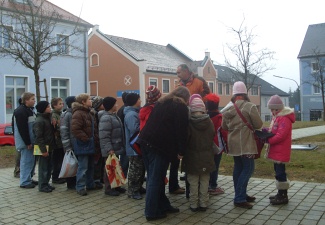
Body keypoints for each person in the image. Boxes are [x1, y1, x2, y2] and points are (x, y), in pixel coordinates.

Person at [137, 86, 190, 221]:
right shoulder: (180, 107)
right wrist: (181, 151)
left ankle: (163, 205)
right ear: (186, 98)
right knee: (155, 179)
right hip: (159, 146)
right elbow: (181, 130)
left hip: (145, 141)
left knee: (155, 177)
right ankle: (151, 211)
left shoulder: (162, 102)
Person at [221, 81, 263, 209]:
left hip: (233, 143)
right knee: (248, 169)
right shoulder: (250, 106)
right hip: (246, 143)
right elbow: (258, 124)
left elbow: (223, 126)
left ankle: (241, 194)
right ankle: (239, 198)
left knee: (238, 168)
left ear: (234, 94)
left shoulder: (228, 108)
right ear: (245, 93)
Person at [175, 63, 211, 188]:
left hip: (197, 115)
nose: (177, 75)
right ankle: (188, 170)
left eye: (179, 72)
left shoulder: (199, 81)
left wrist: (196, 102)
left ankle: (198, 171)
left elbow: (208, 95)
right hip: (183, 116)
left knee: (196, 144)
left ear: (186, 71)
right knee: (187, 143)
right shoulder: (179, 84)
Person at [182, 94, 215, 212]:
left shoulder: (189, 124)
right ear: (203, 109)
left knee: (193, 182)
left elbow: (186, 140)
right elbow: (212, 136)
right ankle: (204, 203)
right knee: (205, 181)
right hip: (207, 156)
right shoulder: (209, 122)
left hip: (192, 157)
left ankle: (193, 204)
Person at [266, 95, 295, 205]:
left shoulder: (284, 118)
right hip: (277, 151)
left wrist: (269, 140)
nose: (272, 112)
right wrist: (266, 133)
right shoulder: (277, 117)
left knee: (280, 173)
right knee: (278, 173)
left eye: (273, 109)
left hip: (281, 150)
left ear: (278, 109)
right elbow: (274, 131)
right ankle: (280, 193)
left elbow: (281, 135)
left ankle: (283, 196)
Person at [72, 93, 102, 196]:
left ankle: (90, 184)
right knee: (83, 166)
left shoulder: (90, 113)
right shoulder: (78, 113)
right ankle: (80, 186)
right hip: (83, 144)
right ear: (83, 102)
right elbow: (75, 129)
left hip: (91, 143)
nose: (91, 101)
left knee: (90, 166)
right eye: (89, 99)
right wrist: (86, 139)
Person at [98, 96, 126, 196]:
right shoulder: (106, 118)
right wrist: (109, 149)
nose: (117, 105)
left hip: (116, 146)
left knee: (116, 167)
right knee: (109, 169)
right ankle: (109, 188)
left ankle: (116, 186)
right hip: (110, 148)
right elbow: (104, 135)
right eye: (115, 104)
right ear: (111, 105)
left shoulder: (113, 115)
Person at [13, 92, 38, 188]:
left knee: (31, 160)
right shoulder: (21, 111)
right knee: (26, 161)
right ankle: (24, 182)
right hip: (26, 142)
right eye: (32, 99)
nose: (34, 101)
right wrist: (27, 142)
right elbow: (22, 128)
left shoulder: (29, 110)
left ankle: (29, 178)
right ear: (26, 100)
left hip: (31, 141)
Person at [123, 93, 145, 200]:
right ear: (135, 101)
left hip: (137, 147)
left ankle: (139, 187)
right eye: (139, 99)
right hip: (134, 147)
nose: (140, 101)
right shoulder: (131, 114)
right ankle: (132, 191)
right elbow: (134, 129)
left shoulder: (134, 112)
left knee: (140, 169)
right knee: (135, 170)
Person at [206, 93, 227, 195]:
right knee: (215, 166)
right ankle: (213, 186)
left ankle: (206, 185)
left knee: (207, 165)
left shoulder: (204, 116)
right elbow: (223, 132)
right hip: (217, 146)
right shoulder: (219, 118)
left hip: (205, 145)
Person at [33, 101, 56, 193]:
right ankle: (42, 185)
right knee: (43, 168)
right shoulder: (39, 121)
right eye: (48, 107)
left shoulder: (48, 118)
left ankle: (46, 183)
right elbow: (39, 137)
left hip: (49, 146)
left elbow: (50, 132)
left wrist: (54, 125)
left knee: (49, 167)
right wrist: (43, 150)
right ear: (43, 109)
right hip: (42, 147)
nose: (50, 108)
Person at [60, 96, 77, 190]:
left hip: (74, 143)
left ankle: (73, 182)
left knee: (74, 164)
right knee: (70, 164)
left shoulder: (72, 113)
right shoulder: (67, 114)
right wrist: (67, 146)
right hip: (70, 144)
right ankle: (70, 184)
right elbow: (64, 131)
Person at [50, 97, 66, 184]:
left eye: (62, 103)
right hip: (57, 141)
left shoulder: (61, 114)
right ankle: (55, 177)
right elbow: (56, 127)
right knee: (57, 160)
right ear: (54, 106)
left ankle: (60, 176)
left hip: (61, 141)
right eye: (60, 104)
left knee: (61, 159)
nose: (62, 105)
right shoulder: (54, 115)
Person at [91, 96, 105, 187]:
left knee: (100, 161)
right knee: (96, 161)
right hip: (96, 141)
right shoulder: (95, 114)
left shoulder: (99, 113)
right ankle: (96, 179)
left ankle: (100, 178)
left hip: (99, 140)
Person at [117, 92, 129, 178]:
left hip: (124, 137)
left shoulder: (122, 109)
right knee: (125, 159)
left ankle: (123, 175)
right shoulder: (125, 110)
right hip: (125, 137)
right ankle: (122, 176)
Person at [12, 98, 22, 178]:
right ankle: (17, 171)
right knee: (19, 154)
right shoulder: (18, 111)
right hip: (20, 138)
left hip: (20, 137)